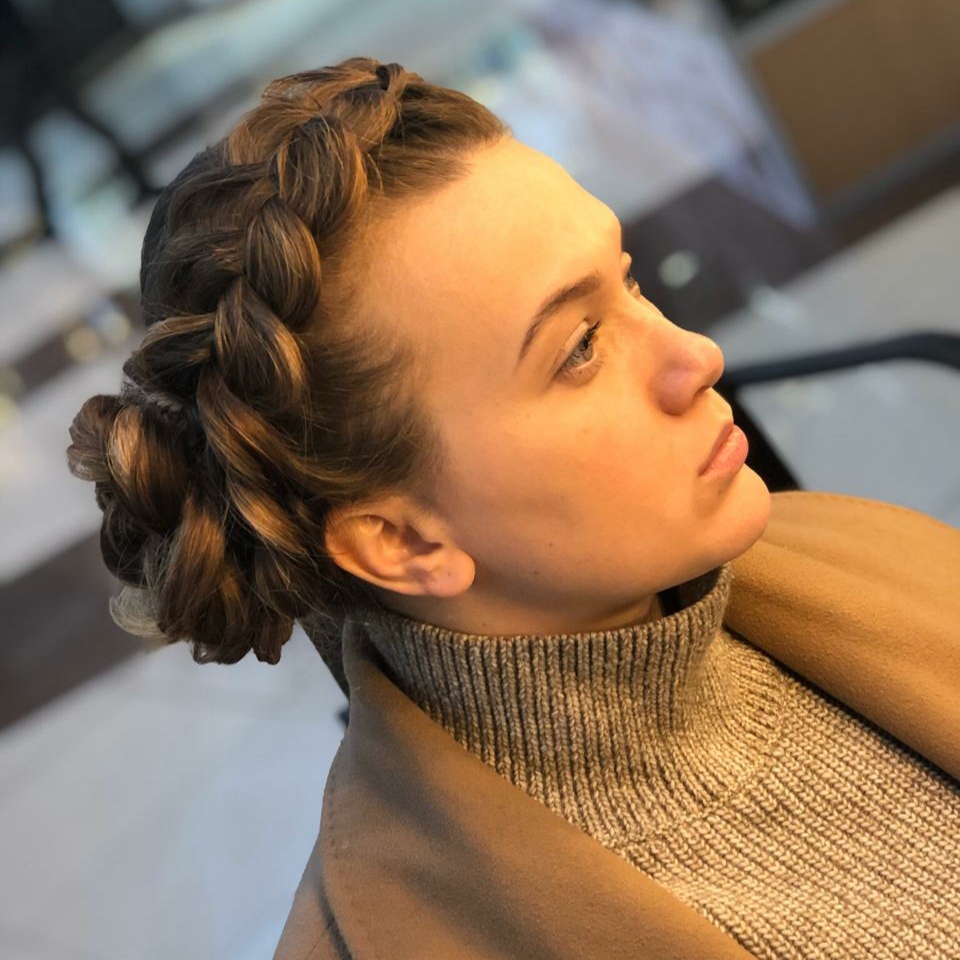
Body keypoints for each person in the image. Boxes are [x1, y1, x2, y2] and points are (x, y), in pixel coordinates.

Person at [65, 57, 959, 960]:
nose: (696, 355)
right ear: (401, 539)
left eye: (629, 282)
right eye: (579, 348)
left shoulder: (854, 551)